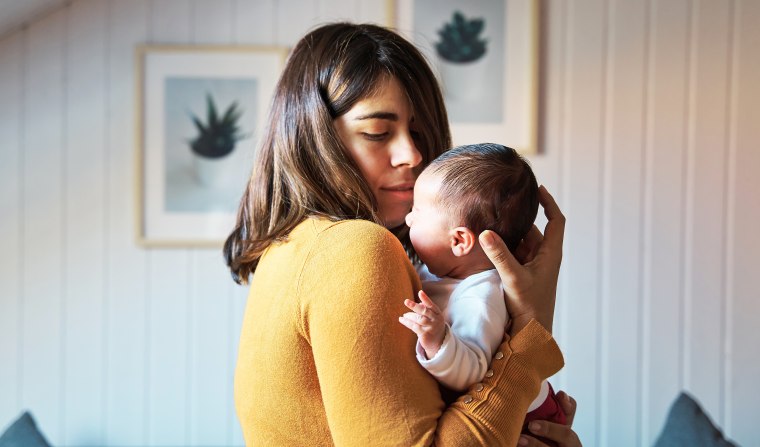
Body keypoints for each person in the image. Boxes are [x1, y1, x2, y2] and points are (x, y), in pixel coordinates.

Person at [224, 22, 581, 446]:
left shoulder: (292, 248)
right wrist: (530, 331)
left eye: (419, 131)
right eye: (378, 132)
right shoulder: (353, 248)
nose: (411, 154)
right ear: (316, 139)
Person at [400, 143, 567, 446]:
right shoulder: (442, 272)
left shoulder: (481, 297)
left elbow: (472, 370)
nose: (408, 219)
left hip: (527, 422)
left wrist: (438, 340)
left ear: (460, 241)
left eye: (417, 212)